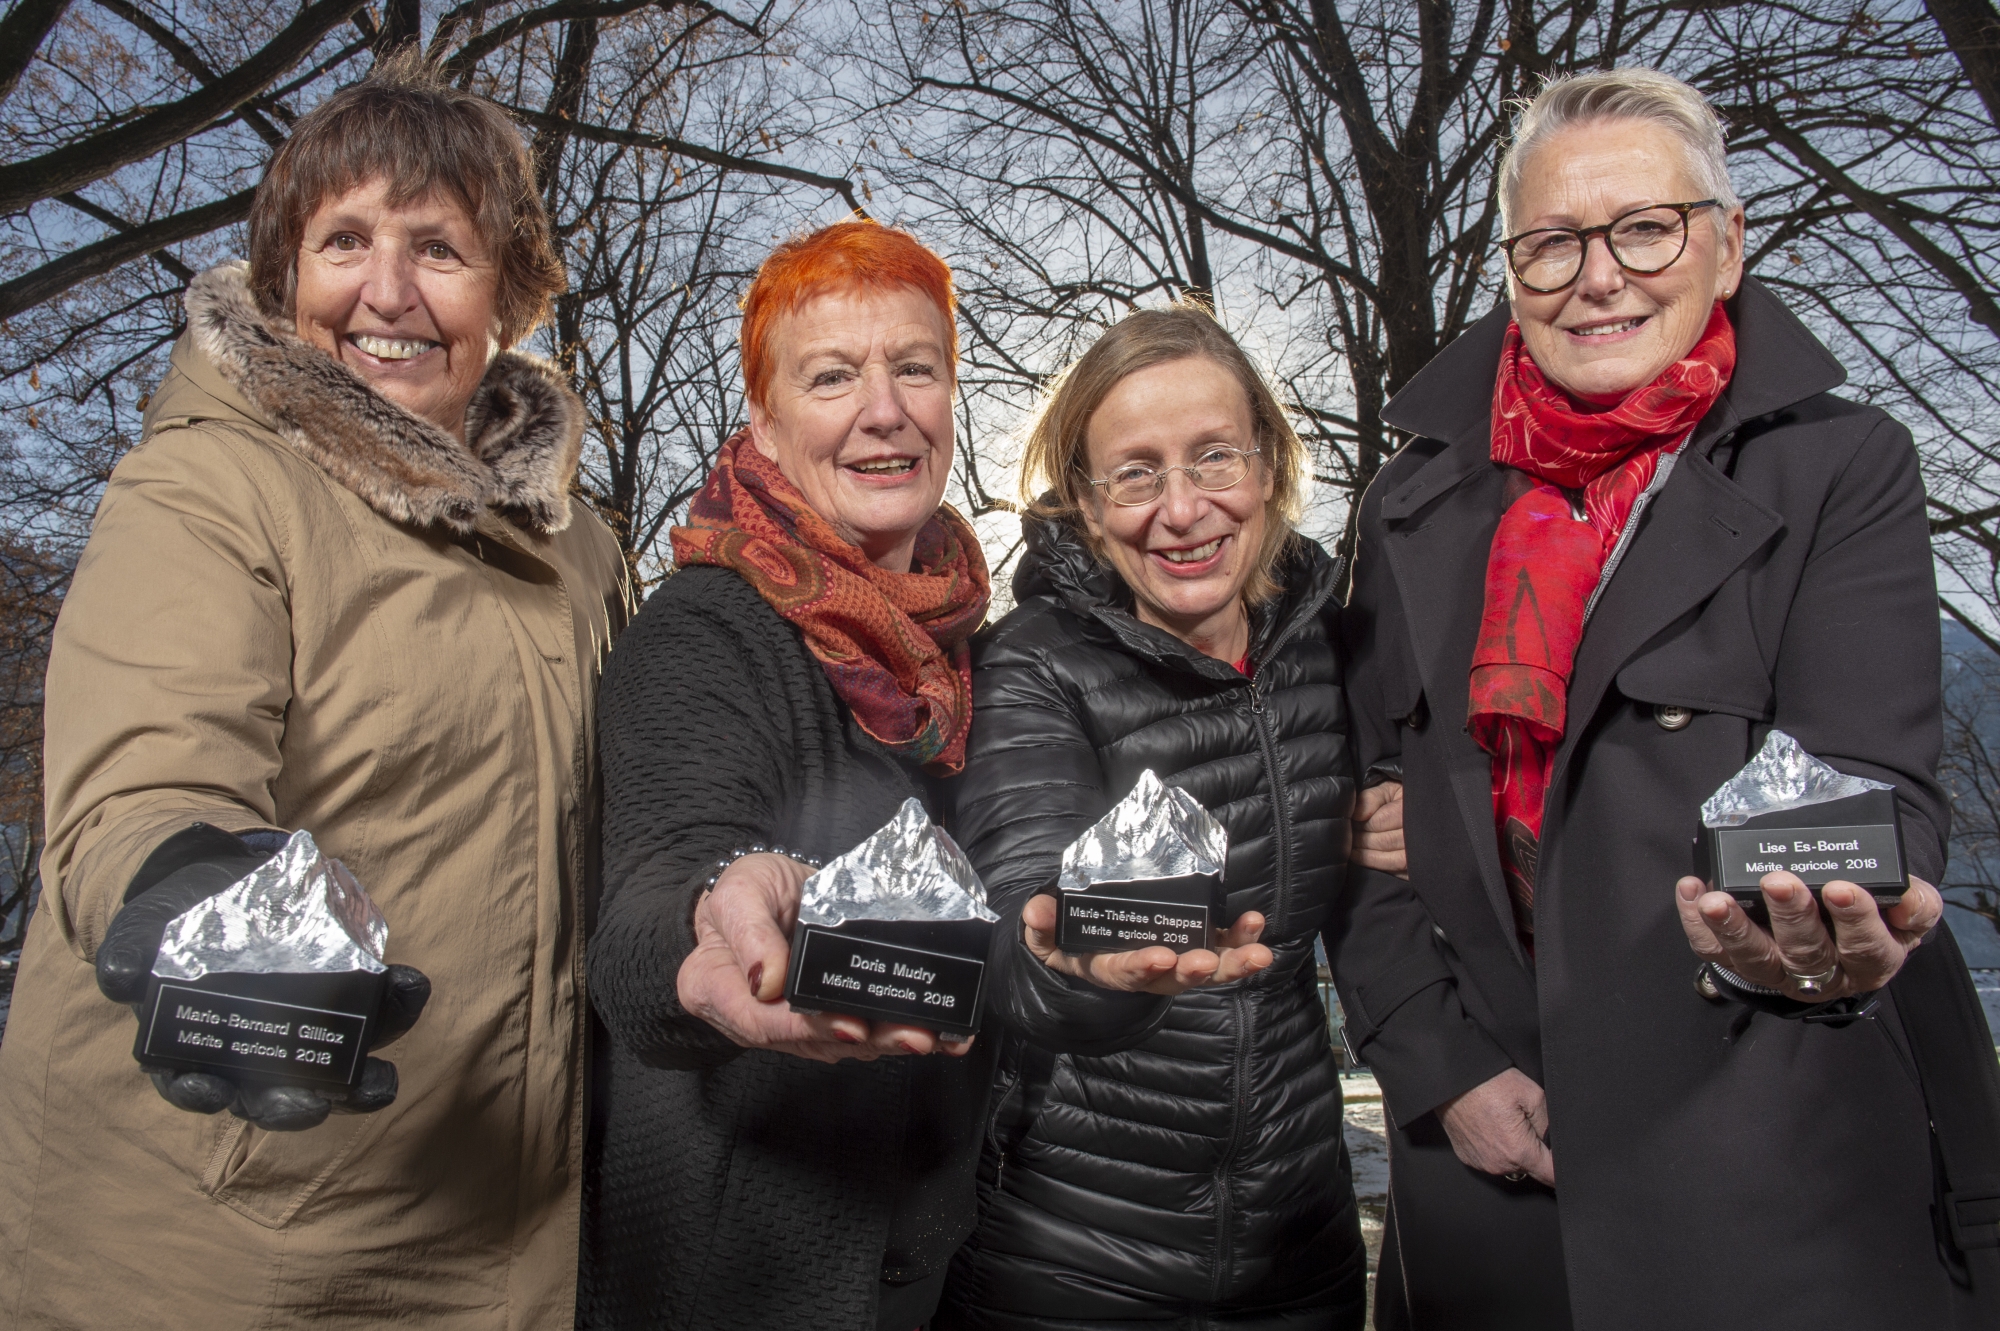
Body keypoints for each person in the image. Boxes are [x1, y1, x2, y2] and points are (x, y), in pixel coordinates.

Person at [1337, 66, 2000, 1330]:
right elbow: (1356, 833)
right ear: (1510, 268)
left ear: (1726, 241)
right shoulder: (1409, 502)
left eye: (1645, 228)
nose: (1599, 276)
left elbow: (1872, 786)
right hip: (1494, 1176)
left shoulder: (1837, 469)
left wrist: (1827, 936)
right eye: (1550, 243)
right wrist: (1439, 1066)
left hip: (1766, 1154)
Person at [0, 56, 629, 1328]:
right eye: (344, 239)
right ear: (287, 276)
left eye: (441, 250)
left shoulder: (583, 550)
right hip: (232, 1237)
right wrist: (185, 890)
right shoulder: (205, 489)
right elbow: (147, 771)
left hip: (513, 1218)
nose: (386, 290)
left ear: (507, 297)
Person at [935, 304, 1403, 1331]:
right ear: (1087, 508)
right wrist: (1078, 965)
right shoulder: (1035, 662)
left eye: (1213, 458)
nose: (1181, 508)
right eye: (1134, 474)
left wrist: (1420, 824)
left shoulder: (1333, 636)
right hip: (1075, 1253)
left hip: (1301, 1244)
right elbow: (1015, 930)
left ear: (1271, 468)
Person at [580, 219, 993, 1331]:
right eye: (830, 377)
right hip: (738, 1273)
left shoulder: (971, 654)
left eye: (916, 366)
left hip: (940, 1262)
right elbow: (645, 904)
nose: (883, 410)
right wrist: (709, 922)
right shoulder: (703, 632)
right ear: (761, 420)